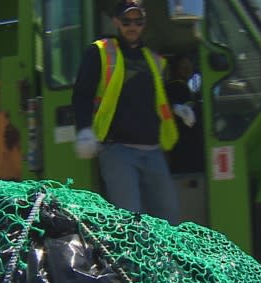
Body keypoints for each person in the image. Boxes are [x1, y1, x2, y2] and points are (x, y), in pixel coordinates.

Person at [71, 0, 196, 225]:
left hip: (153, 152)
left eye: (138, 21)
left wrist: (178, 106)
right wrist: (83, 130)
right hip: (118, 151)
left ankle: (165, 261)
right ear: (116, 22)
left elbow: (160, 94)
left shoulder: (154, 60)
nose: (132, 26)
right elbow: (81, 94)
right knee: (130, 221)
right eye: (127, 21)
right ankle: (128, 262)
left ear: (144, 23)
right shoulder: (100, 52)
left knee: (169, 218)